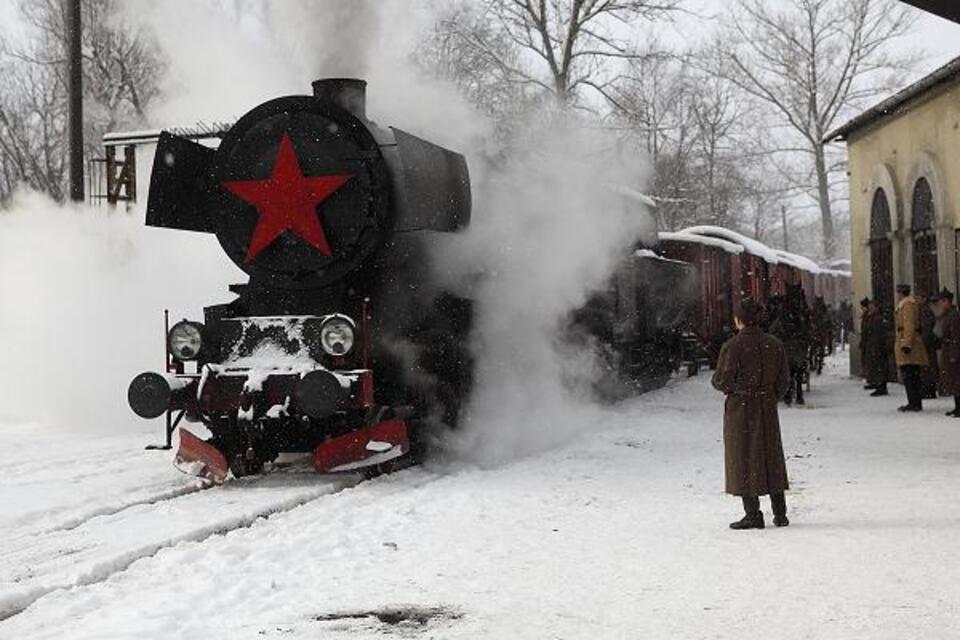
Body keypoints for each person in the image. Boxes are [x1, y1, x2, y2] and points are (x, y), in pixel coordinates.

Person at [712, 298, 791, 530]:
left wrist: (724, 386)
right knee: (771, 457)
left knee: (744, 458)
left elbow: (722, 380)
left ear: (739, 320)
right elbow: (784, 381)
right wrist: (769, 396)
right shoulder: (774, 344)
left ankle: (753, 514)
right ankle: (780, 513)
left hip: (741, 408)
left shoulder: (732, 346)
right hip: (767, 406)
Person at [770, 284, 810, 405]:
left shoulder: (794, 306)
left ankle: (793, 393)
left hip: (792, 337)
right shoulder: (791, 306)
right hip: (792, 337)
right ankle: (796, 393)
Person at [895, 284, 929, 412]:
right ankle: (914, 401)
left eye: (898, 292)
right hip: (908, 340)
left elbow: (908, 324)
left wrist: (906, 344)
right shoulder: (907, 304)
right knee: (911, 374)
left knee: (910, 374)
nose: (897, 295)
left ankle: (914, 402)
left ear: (901, 293)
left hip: (909, 343)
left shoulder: (907, 305)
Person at [935, 289, 960, 417]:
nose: (939, 304)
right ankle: (957, 406)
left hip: (953, 352)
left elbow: (956, 337)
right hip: (948, 350)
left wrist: (954, 355)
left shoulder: (954, 316)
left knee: (956, 380)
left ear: (947, 302)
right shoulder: (947, 315)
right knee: (952, 380)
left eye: (941, 302)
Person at [861, 298, 889, 396]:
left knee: (879, 366)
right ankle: (877, 384)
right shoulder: (872, 317)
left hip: (877, 346)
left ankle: (881, 386)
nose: (870, 309)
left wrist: (876, 347)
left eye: (872, 307)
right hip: (872, 345)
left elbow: (877, 334)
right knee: (875, 366)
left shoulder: (878, 318)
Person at [916, 289, 940, 399]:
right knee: (926, 368)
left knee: (928, 368)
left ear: (924, 299)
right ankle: (927, 388)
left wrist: (923, 343)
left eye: (919, 298)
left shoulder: (925, 311)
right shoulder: (922, 310)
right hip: (925, 342)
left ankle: (929, 389)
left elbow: (926, 328)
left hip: (927, 343)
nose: (917, 300)